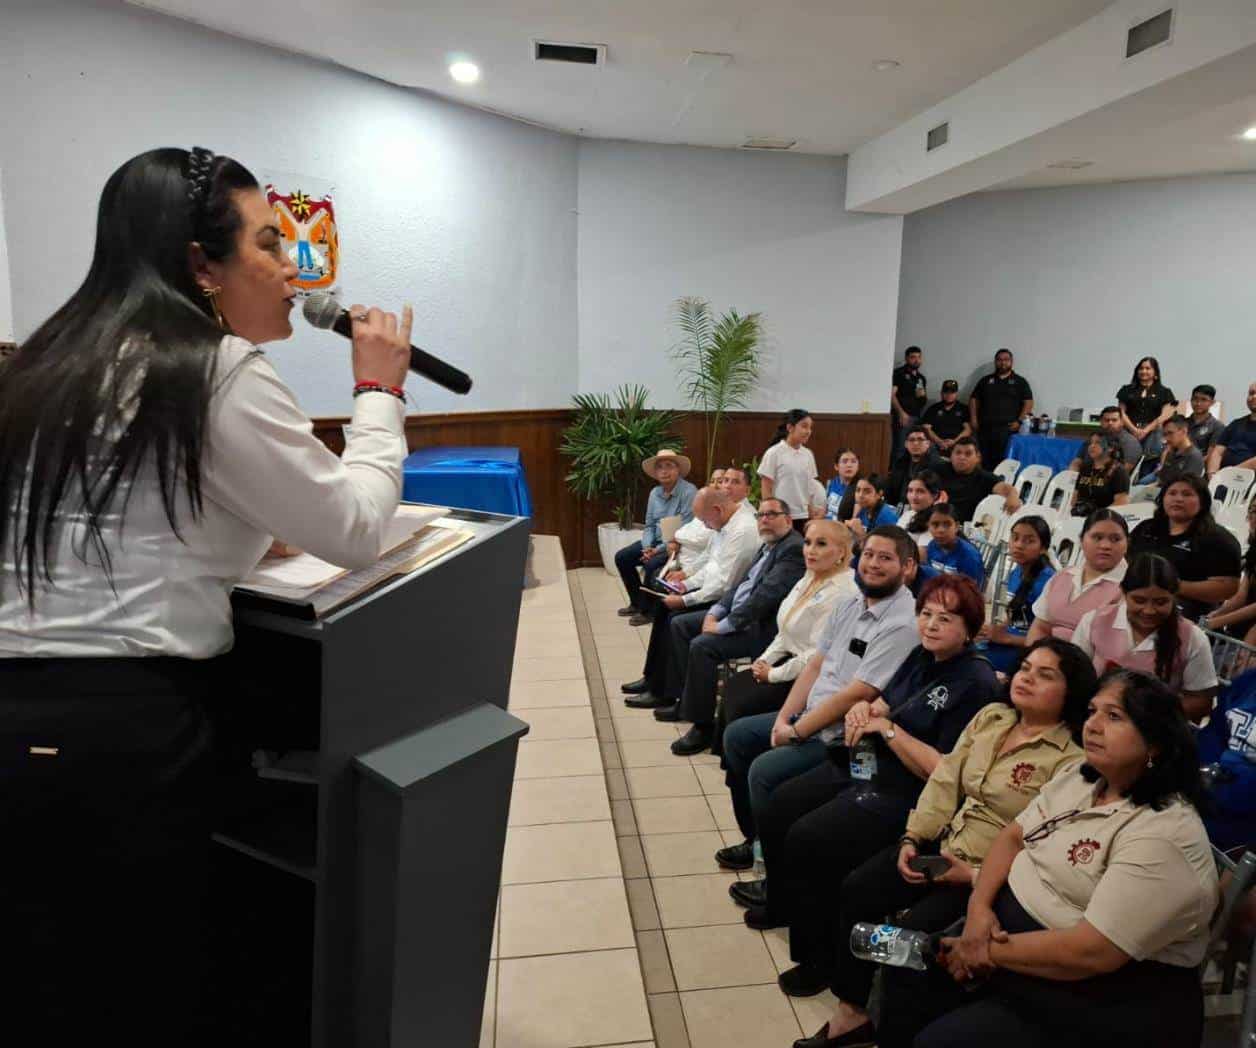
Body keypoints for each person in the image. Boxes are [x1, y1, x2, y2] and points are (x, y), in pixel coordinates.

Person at [0, 148, 414, 1041]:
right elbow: (352, 527)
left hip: (18, 716)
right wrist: (379, 393)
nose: (294, 271)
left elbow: (123, 512)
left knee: (42, 980)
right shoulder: (214, 367)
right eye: (270, 243)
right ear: (202, 266)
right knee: (140, 984)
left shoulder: (43, 366)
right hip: (128, 731)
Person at [794, 639, 1093, 1048]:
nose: (1027, 678)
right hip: (942, 844)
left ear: (1071, 690)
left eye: (1046, 675)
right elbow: (946, 779)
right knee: (858, 891)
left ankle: (897, 1035)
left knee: (907, 942)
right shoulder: (993, 717)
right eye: (1025, 668)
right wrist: (913, 836)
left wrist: (972, 876)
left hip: (986, 877)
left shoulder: (1071, 759)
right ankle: (853, 1011)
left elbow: (1040, 841)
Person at [918, 671, 1217, 1048]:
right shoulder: (1083, 777)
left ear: (1155, 743)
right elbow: (1012, 836)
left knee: (941, 1039)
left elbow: (1092, 952)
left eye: (1114, 717)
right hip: (1012, 943)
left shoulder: (1164, 834)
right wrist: (978, 911)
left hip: (1106, 994)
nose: (1092, 725)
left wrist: (981, 949)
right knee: (908, 977)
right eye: (1092, 711)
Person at [742, 576, 997, 949]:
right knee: (781, 804)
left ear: (969, 629)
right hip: (871, 762)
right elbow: (885, 703)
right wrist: (866, 709)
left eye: (946, 618)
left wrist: (889, 731)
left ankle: (816, 951)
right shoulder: (921, 656)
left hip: (910, 790)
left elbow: (943, 770)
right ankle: (783, 904)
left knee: (810, 837)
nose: (931, 624)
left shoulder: (977, 682)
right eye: (926, 614)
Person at [718, 528, 919, 882]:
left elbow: (857, 694)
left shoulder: (902, 623)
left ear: (907, 567)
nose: (872, 564)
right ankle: (758, 840)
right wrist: (784, 719)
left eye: (885, 558)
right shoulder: (851, 603)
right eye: (869, 554)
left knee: (764, 772)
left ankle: (776, 878)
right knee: (737, 736)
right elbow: (815, 665)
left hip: (844, 736)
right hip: (809, 716)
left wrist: (795, 732)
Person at [659, 498, 806, 755]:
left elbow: (764, 598)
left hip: (762, 628)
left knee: (702, 646)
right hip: (739, 614)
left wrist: (724, 625)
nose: (764, 520)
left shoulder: (792, 549)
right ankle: (684, 700)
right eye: (760, 515)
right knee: (680, 624)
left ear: (788, 519)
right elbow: (743, 584)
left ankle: (703, 726)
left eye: (772, 515)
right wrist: (716, 612)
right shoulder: (770, 544)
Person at [710, 520, 857, 761]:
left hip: (811, 677)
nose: (810, 550)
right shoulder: (810, 576)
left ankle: (749, 762)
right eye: (808, 542)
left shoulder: (844, 592)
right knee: (735, 687)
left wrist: (773, 674)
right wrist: (764, 661)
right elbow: (785, 630)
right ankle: (734, 762)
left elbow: (815, 655)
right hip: (787, 659)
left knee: (744, 702)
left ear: (841, 552)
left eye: (821, 544)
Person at [622, 484, 759, 707]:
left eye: (705, 520)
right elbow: (710, 564)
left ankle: (670, 693)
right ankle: (653, 679)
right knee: (664, 606)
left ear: (717, 509)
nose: (705, 526)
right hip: (713, 590)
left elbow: (724, 584)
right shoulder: (723, 524)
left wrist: (685, 599)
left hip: (727, 601)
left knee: (677, 621)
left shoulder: (742, 531)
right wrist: (685, 584)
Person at [1071, 553, 1218, 723]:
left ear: (1174, 597)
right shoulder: (1094, 621)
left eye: (1161, 602)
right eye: (1139, 600)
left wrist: (1148, 715)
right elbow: (1074, 679)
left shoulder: (1192, 637)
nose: (1149, 611)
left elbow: (1201, 701)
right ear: (1123, 593)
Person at [1128, 474, 1242, 621]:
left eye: (1187, 494)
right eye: (1172, 493)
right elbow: (1127, 560)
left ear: (1203, 501)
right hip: (1136, 604)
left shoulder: (1218, 539)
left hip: (1187, 615)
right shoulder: (1146, 528)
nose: (1178, 499)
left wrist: (1172, 585)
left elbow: (1226, 588)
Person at [614, 449, 697, 623]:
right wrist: (646, 547)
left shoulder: (689, 492)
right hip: (654, 543)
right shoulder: (654, 493)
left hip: (676, 545)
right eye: (660, 467)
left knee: (652, 564)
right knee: (622, 557)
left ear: (678, 470)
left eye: (669, 466)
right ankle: (636, 603)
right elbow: (649, 525)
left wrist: (656, 550)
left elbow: (685, 530)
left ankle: (648, 611)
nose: (664, 471)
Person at [1028, 509, 1128, 643]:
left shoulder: (1130, 587)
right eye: (1097, 537)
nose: (1105, 546)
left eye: (1115, 539)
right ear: (1081, 540)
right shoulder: (1062, 576)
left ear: (1127, 544)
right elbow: (1040, 627)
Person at [980, 516, 1055, 673]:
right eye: (1015, 538)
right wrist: (995, 630)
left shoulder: (1049, 583)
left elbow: (1050, 640)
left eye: (1029, 541)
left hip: (1029, 651)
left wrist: (1007, 638)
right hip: (1009, 642)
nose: (1019, 545)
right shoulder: (1017, 572)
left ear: (1043, 547)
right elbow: (1017, 615)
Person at [1203, 495, 1256, 645]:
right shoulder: (1254, 551)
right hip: (1239, 630)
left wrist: (1217, 622)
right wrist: (1212, 616)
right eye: (1252, 511)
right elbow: (1241, 596)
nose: (1253, 517)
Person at [969, 349, 1033, 469]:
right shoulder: (986, 380)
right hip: (985, 429)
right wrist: (973, 419)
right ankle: (986, 486)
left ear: (1011, 362)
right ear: (995, 362)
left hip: (1007, 430)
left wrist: (1019, 421)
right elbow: (973, 400)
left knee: (1004, 463)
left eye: (1006, 360)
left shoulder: (1020, 382)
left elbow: (1028, 403)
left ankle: (1000, 486)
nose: (1003, 363)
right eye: (999, 360)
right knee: (985, 461)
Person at [934, 437, 1021, 524]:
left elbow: (1004, 488)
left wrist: (1013, 495)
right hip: (936, 521)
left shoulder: (985, 477)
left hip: (966, 527)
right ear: (951, 456)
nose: (962, 457)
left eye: (968, 454)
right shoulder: (938, 470)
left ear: (977, 458)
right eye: (958, 453)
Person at [659, 467, 724, 580]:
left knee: (655, 575)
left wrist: (676, 538)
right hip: (677, 556)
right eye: (712, 481)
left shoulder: (721, 511)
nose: (715, 485)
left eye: (720, 481)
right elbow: (687, 528)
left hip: (693, 569)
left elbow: (700, 539)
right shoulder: (655, 492)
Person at [759, 410, 819, 531]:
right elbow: (766, 487)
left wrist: (812, 513)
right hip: (781, 516)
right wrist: (770, 513)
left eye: (810, 427)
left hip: (803, 516)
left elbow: (809, 487)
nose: (808, 431)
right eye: (804, 426)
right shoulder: (774, 453)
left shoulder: (808, 454)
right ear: (790, 427)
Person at [1117, 356, 1178, 466]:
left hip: (1153, 432)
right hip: (1129, 430)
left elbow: (1164, 415)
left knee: (1149, 461)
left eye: (1148, 368)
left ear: (1155, 372)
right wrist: (1134, 429)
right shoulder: (1126, 389)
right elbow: (1121, 412)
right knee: (1126, 459)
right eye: (1141, 368)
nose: (1143, 371)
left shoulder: (1164, 392)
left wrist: (1146, 430)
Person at [920, 504, 985, 588]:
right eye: (935, 525)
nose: (941, 530)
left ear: (957, 526)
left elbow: (971, 592)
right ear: (928, 526)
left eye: (947, 525)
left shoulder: (970, 556)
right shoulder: (932, 545)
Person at [1068, 405, 1143, 474]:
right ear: (1101, 422)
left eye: (1114, 420)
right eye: (1106, 420)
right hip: (1084, 479)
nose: (1110, 423)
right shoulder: (1094, 438)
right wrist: (1072, 475)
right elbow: (1077, 462)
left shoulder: (1130, 443)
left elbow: (1123, 470)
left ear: (1122, 422)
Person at [1069, 434, 1129, 517]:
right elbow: (1074, 496)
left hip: (1104, 519)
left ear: (1110, 448)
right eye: (1091, 443)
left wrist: (1098, 516)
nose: (1092, 446)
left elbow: (1121, 502)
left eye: (1097, 443)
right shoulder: (1085, 468)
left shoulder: (1118, 471)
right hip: (1080, 515)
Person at [1207, 380, 1256, 474]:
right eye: (1251, 393)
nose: (1254, 397)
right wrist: (1212, 474)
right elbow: (1217, 452)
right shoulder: (1235, 424)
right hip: (1223, 481)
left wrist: (1229, 474)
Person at [886, 427, 942, 505]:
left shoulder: (936, 466)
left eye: (920, 439)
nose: (915, 443)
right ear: (906, 444)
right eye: (912, 440)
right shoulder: (900, 463)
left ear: (928, 444)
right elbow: (891, 490)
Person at [891, 346, 928, 461]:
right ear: (907, 359)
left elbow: (922, 401)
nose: (916, 360)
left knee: (913, 449)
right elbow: (891, 395)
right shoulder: (899, 373)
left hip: (916, 417)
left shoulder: (921, 378)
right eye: (913, 357)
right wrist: (901, 413)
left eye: (919, 357)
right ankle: (896, 475)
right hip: (903, 417)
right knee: (900, 448)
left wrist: (922, 396)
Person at [920, 379, 972, 456]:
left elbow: (968, 430)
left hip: (958, 444)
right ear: (941, 393)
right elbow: (926, 428)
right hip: (936, 445)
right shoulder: (933, 408)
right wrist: (939, 442)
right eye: (946, 392)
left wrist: (954, 442)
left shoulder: (963, 409)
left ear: (956, 393)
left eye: (952, 392)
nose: (949, 395)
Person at [898, 471, 946, 552]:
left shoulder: (935, 521)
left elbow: (922, 557)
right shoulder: (908, 514)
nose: (913, 496)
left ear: (935, 495)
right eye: (910, 490)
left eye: (920, 491)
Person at [1154, 413, 1205, 486]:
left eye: (1170, 433)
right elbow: (1162, 479)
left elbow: (1186, 486)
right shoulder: (1171, 452)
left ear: (1184, 431)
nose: (1167, 438)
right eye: (1165, 434)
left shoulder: (1194, 456)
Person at [847, 474, 899, 538]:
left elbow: (888, 546)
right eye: (858, 490)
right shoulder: (862, 508)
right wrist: (854, 517)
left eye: (867, 491)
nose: (860, 495)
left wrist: (860, 532)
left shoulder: (886, 516)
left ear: (879, 494)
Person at [1186, 383, 1224, 453]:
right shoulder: (1182, 422)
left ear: (1212, 402)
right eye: (1195, 399)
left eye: (1204, 400)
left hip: (1200, 463)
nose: (1198, 403)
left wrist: (1192, 463)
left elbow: (1211, 455)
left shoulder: (1217, 426)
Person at [825, 448, 861, 521]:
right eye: (844, 461)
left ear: (858, 467)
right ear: (836, 466)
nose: (849, 465)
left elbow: (854, 519)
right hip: (828, 523)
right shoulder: (831, 483)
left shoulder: (861, 488)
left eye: (853, 461)